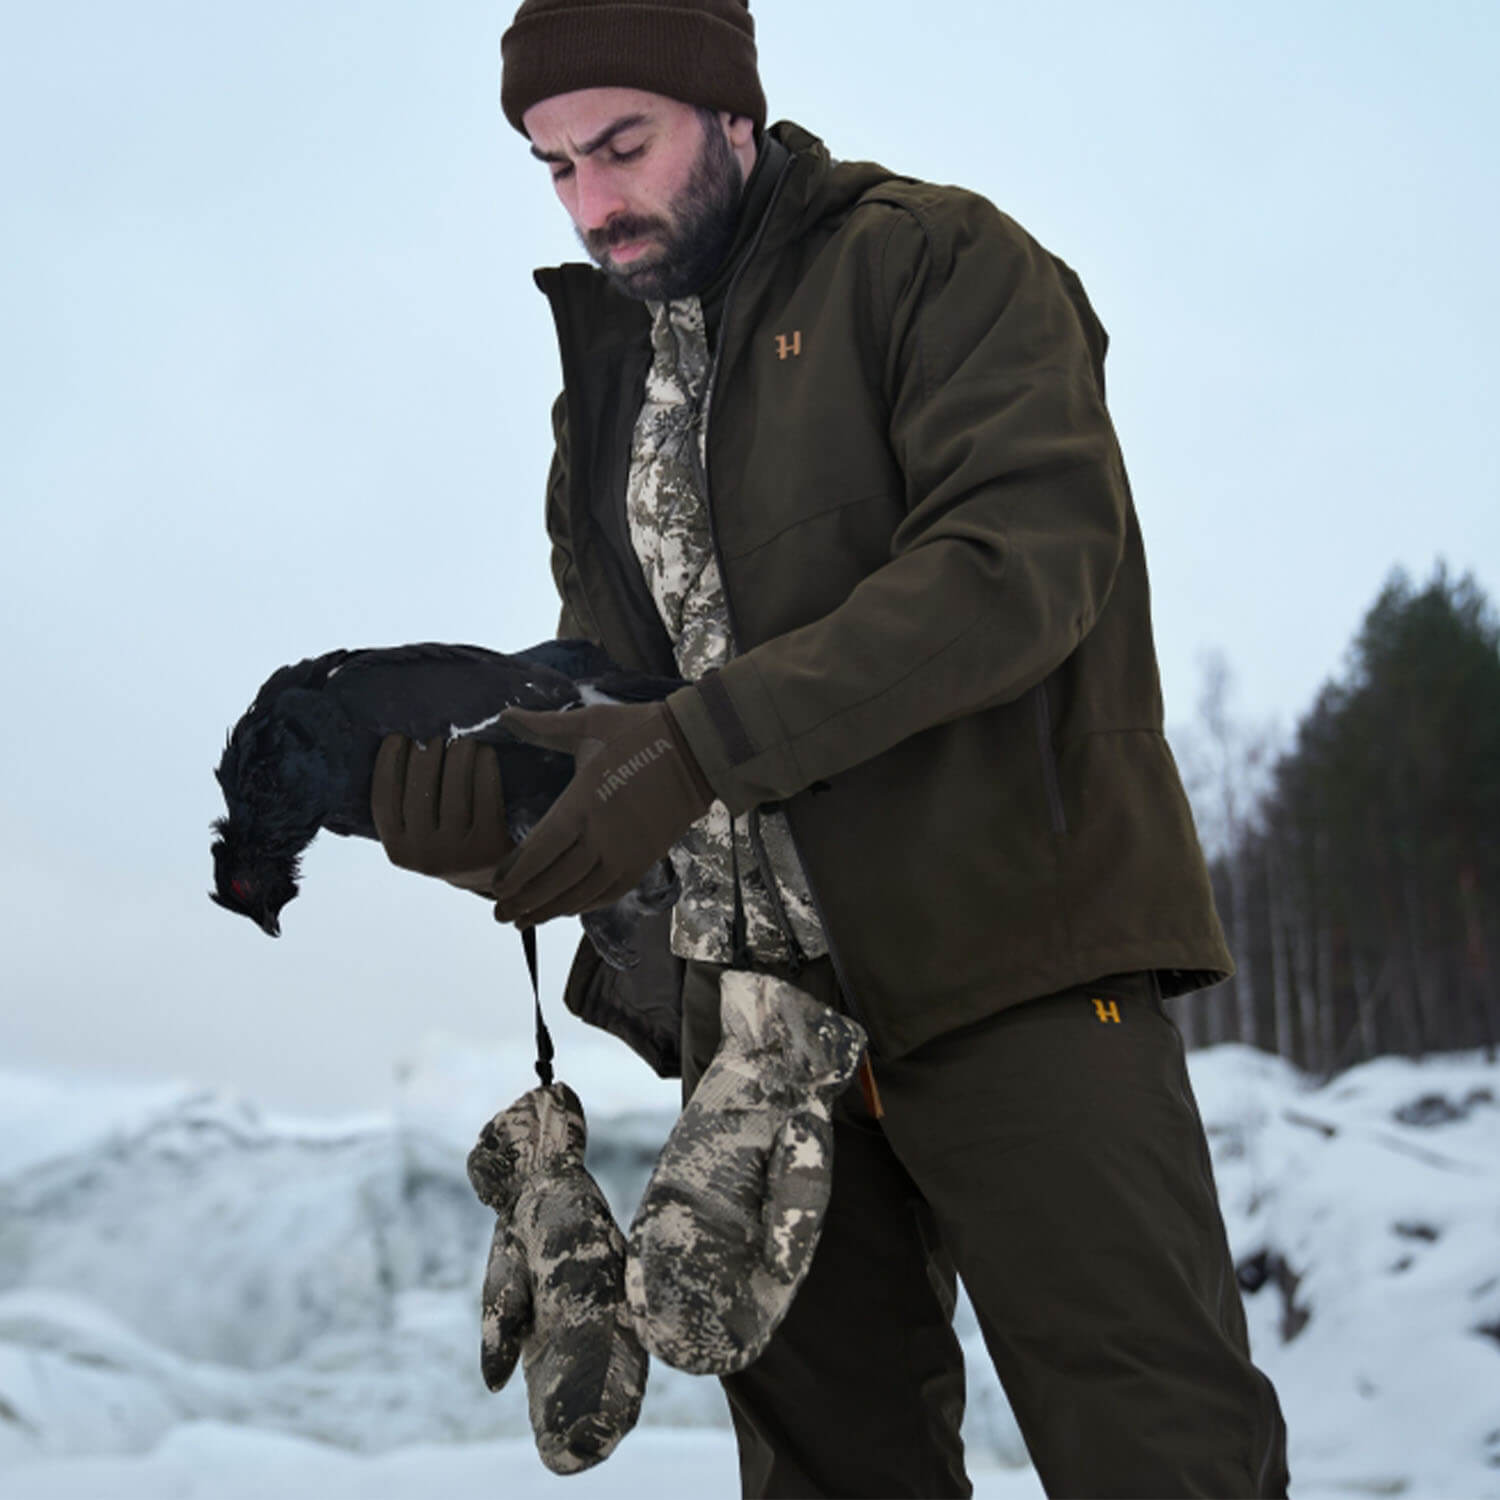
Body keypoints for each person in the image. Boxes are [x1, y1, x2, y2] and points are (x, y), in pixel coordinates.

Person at [374, 1, 1290, 1494]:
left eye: (624, 146)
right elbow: (619, 701)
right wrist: (500, 821)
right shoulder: (609, 382)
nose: (593, 202)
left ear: (733, 112)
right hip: (757, 1036)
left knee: (1160, 1452)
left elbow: (1021, 561)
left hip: (1013, 962)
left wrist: (694, 745)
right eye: (553, 167)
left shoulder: (934, 262)